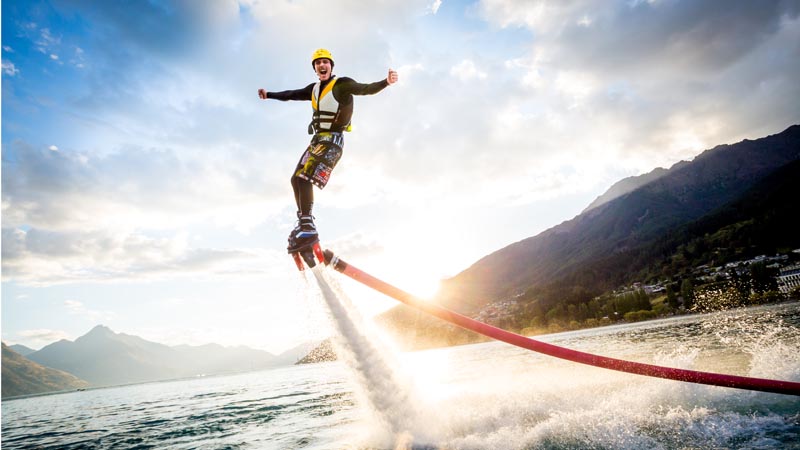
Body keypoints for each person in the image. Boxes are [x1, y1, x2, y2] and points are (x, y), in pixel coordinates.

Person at [258, 49, 398, 252]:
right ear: (315, 68)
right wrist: (268, 95)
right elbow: (290, 95)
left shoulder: (341, 84)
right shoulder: (313, 89)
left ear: (331, 66)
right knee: (296, 179)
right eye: (318, 63)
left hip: (332, 141)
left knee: (305, 178)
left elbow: (365, 89)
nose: (321, 65)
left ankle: (308, 227)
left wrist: (386, 82)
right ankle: (305, 222)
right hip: (317, 141)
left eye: (325, 62)